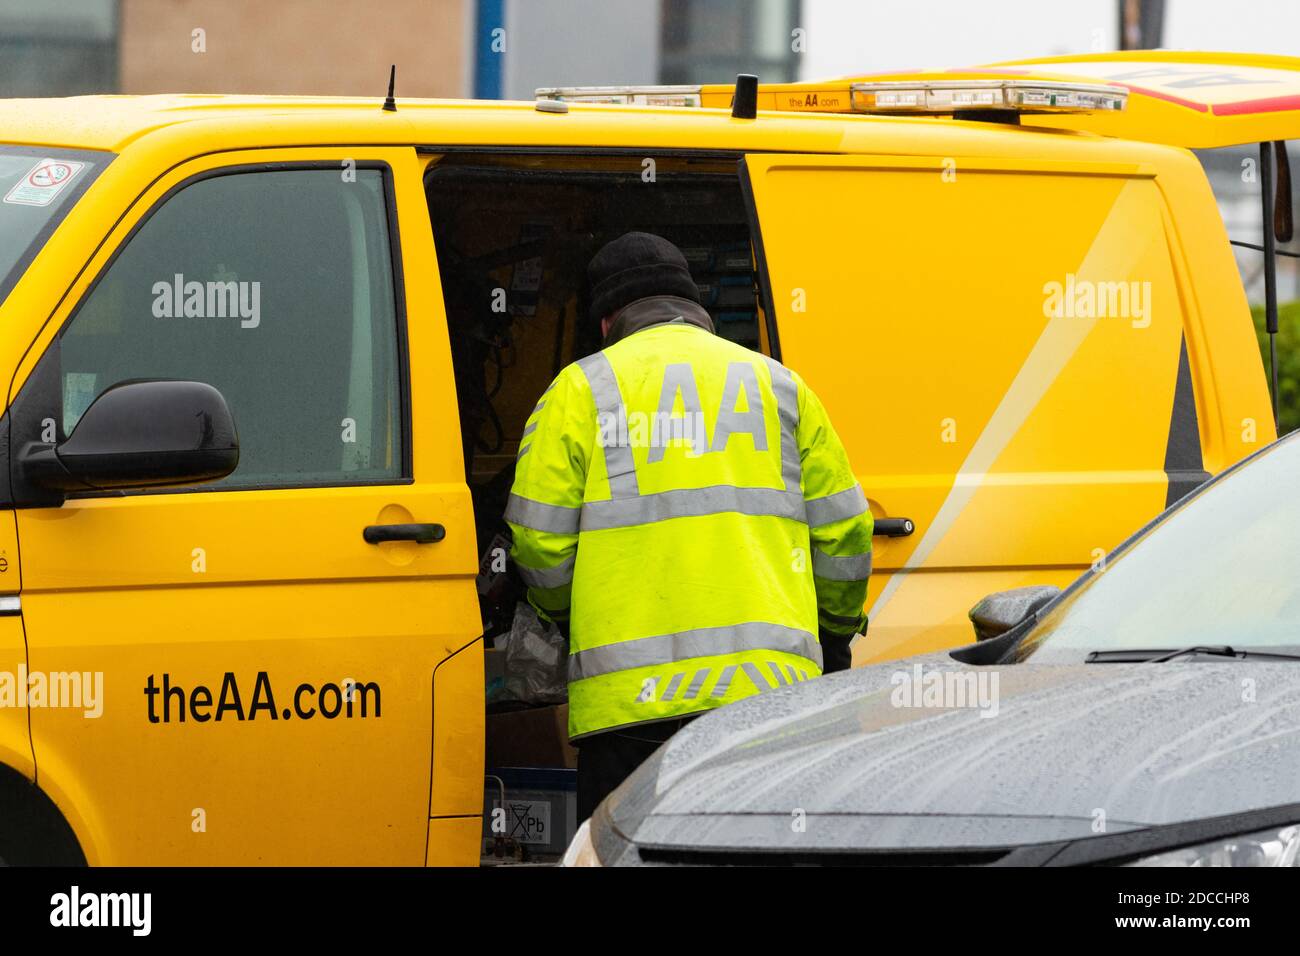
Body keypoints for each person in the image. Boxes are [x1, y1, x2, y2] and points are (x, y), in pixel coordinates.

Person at [505, 231, 873, 820]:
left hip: (628, 709)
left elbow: (537, 542)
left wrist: (572, 615)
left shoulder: (579, 390)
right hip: (768, 698)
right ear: (693, 306)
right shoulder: (780, 385)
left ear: (606, 321)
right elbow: (845, 535)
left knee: (630, 854)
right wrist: (833, 632)